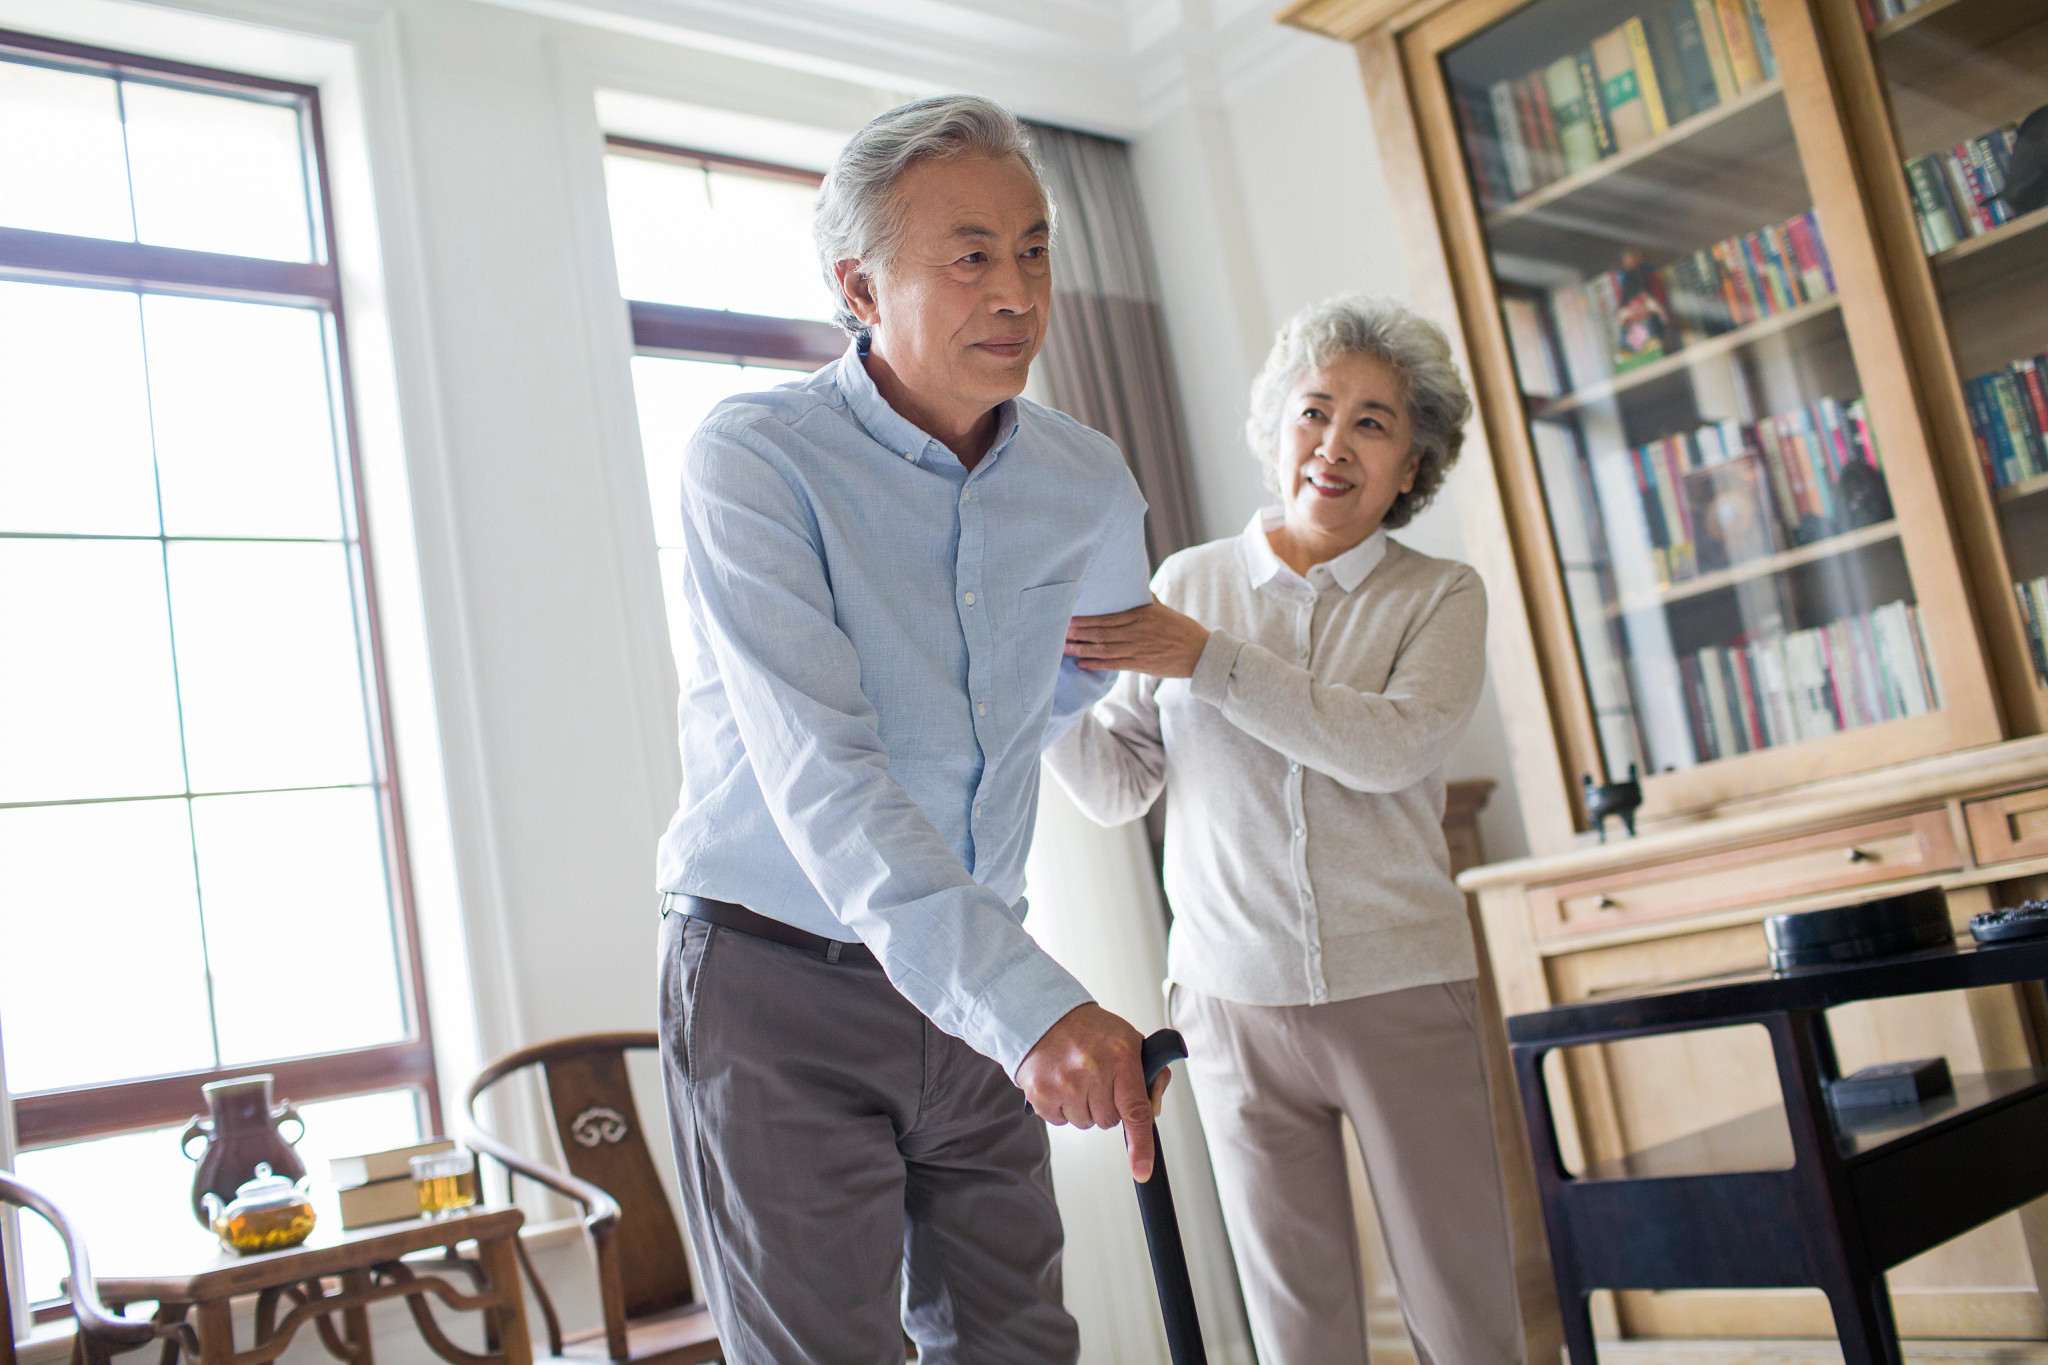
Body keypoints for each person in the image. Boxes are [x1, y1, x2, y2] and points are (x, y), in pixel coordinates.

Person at [653, 95, 1168, 1365]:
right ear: (858, 285)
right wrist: (1029, 1008)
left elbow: (1076, 667)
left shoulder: (1088, 482)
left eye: (1036, 249)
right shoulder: (755, 462)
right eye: (971, 254)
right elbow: (820, 769)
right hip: (779, 986)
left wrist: (997, 994)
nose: (1017, 289)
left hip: (972, 986)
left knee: (1021, 1346)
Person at [1047, 293, 1522, 1365]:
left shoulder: (1439, 597)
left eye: (1372, 422)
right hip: (1229, 1003)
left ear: (1413, 465)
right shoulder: (1186, 583)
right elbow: (1120, 782)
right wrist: (1034, 690)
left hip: (1398, 990)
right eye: (1314, 410)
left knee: (1462, 1310)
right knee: (1294, 1330)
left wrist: (1205, 659)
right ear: (1275, 427)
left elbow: (1389, 748)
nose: (1333, 444)